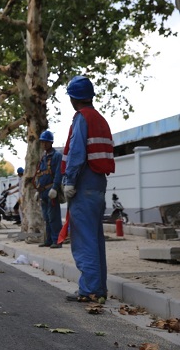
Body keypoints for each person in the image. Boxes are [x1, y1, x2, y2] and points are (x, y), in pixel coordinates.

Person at [61, 75, 115, 303]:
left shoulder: (82, 118)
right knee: (94, 237)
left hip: (83, 184)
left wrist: (69, 180)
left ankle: (89, 290)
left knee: (83, 240)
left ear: (74, 98)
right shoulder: (100, 118)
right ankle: (98, 288)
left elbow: (76, 152)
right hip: (98, 184)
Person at [33, 130, 63, 248]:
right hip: (43, 192)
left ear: (51, 142)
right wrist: (38, 191)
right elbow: (40, 175)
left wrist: (55, 188)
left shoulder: (57, 156)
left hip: (51, 191)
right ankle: (49, 240)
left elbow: (58, 174)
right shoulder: (43, 158)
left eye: (46, 142)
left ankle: (57, 241)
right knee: (46, 218)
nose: (44, 144)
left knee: (53, 217)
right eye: (42, 142)